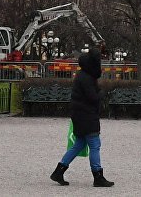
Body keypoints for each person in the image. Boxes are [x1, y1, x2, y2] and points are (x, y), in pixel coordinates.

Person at [50, 51, 114, 187]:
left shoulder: (82, 75)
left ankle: (59, 171)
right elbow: (93, 97)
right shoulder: (87, 78)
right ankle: (98, 176)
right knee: (95, 145)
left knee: (79, 144)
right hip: (87, 115)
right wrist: (102, 93)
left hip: (80, 114)